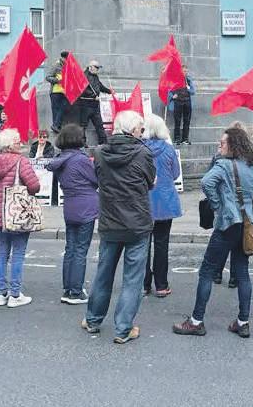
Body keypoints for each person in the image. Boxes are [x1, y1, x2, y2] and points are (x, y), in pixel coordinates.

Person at [172, 127, 253, 339]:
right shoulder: (252, 166)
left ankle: (196, 321)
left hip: (228, 223)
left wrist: (218, 205)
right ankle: (243, 322)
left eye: (222, 143)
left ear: (233, 145)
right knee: (242, 272)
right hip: (247, 223)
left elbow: (206, 182)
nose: (219, 146)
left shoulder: (223, 165)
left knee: (207, 271)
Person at [82, 111, 156, 344]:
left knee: (103, 273)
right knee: (133, 279)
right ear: (133, 130)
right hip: (137, 223)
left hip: (110, 220)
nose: (142, 133)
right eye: (141, 129)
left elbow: (99, 178)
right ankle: (123, 328)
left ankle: (93, 320)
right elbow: (150, 182)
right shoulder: (143, 153)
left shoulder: (100, 152)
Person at [47, 124, 98, 305]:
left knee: (70, 249)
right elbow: (96, 180)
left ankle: (68, 288)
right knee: (80, 250)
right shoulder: (81, 160)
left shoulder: (60, 159)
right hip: (86, 206)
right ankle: (76, 292)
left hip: (70, 205)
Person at [0, 129, 40, 308]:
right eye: (17, 142)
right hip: (17, 214)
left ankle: (0, 293)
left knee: (0, 254)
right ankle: (15, 294)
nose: (20, 144)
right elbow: (34, 186)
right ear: (9, 145)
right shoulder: (21, 161)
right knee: (18, 254)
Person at [143, 114, 182, 297]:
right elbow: (175, 174)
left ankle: (144, 284)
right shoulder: (168, 149)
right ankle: (161, 285)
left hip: (144, 201)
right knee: (161, 244)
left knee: (142, 245)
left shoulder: (140, 149)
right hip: (165, 202)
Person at [212, 120, 249, 288]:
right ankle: (234, 277)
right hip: (244, 210)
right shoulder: (249, 160)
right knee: (238, 247)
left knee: (222, 243)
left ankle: (217, 273)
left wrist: (216, 203)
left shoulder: (219, 157)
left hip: (225, 207)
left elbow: (209, 180)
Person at [78, 60, 111, 145]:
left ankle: (103, 142)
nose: (97, 69)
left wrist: (109, 91)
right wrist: (93, 95)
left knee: (99, 124)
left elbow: (100, 86)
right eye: (96, 67)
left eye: (98, 68)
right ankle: (82, 143)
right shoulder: (83, 76)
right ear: (91, 67)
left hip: (95, 105)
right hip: (86, 104)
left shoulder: (95, 76)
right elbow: (82, 89)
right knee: (83, 125)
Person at [169, 65, 195, 145]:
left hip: (187, 102)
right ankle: (177, 139)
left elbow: (193, 91)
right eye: (184, 71)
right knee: (177, 121)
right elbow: (169, 90)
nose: (185, 73)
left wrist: (188, 89)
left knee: (187, 121)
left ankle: (185, 139)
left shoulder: (188, 80)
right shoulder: (175, 80)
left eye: (186, 71)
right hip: (178, 102)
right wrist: (172, 96)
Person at [46, 50, 70, 134]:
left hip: (64, 92)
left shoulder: (68, 66)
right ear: (63, 58)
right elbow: (48, 77)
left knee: (64, 107)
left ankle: (56, 125)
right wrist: (57, 80)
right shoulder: (56, 65)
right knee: (55, 109)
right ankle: (56, 126)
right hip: (55, 91)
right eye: (66, 59)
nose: (67, 60)